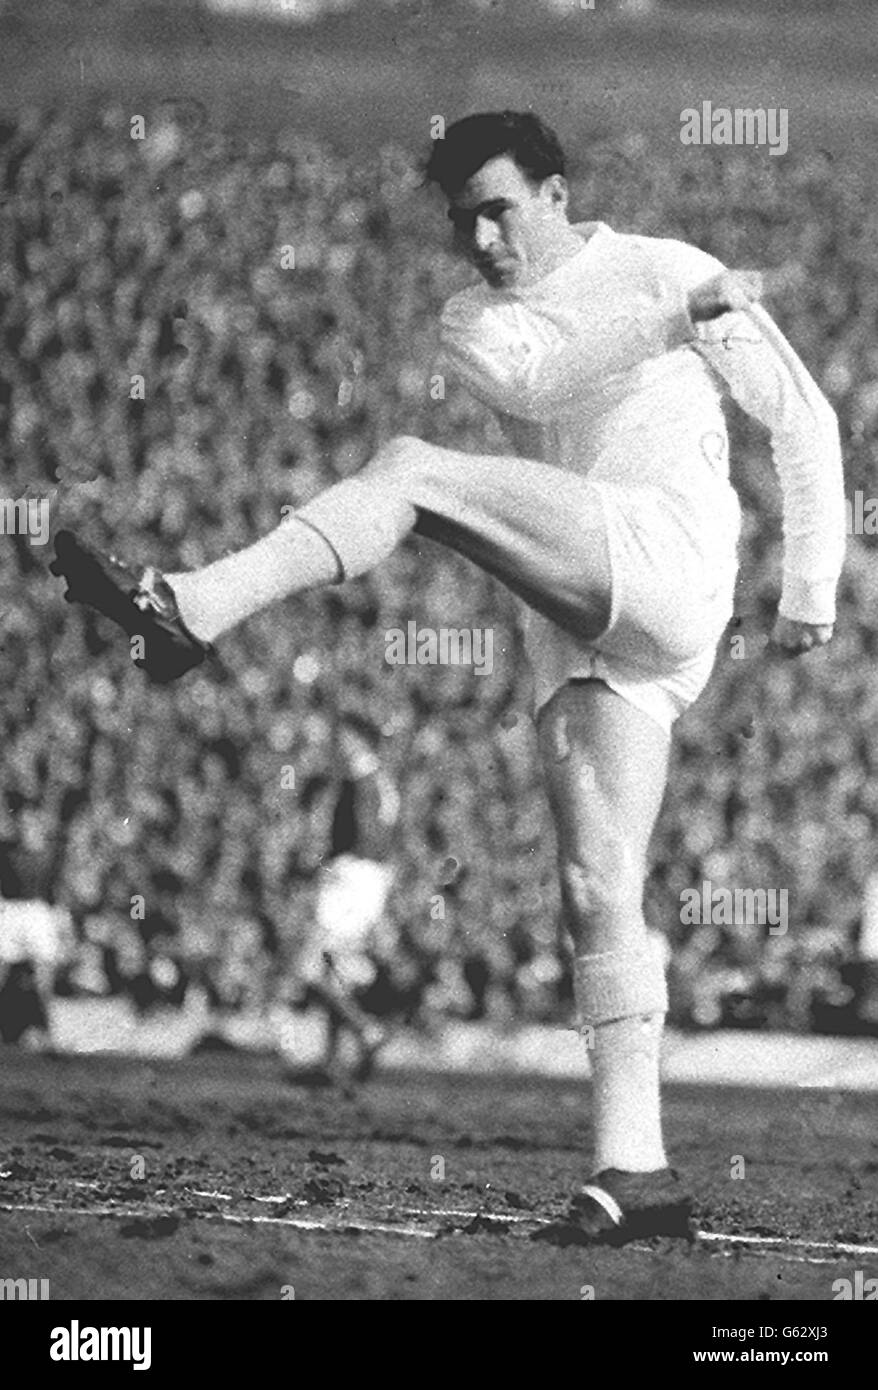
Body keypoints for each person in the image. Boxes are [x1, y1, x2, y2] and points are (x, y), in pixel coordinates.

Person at [50, 110, 845, 1245]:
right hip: (576, 607)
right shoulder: (473, 318)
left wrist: (809, 585)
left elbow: (800, 417)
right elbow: (544, 384)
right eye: (463, 219)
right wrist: (674, 320)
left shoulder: (665, 266)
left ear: (558, 196)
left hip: (662, 556)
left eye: (499, 209)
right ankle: (639, 1172)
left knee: (413, 470)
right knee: (594, 890)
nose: (480, 239)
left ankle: (192, 605)